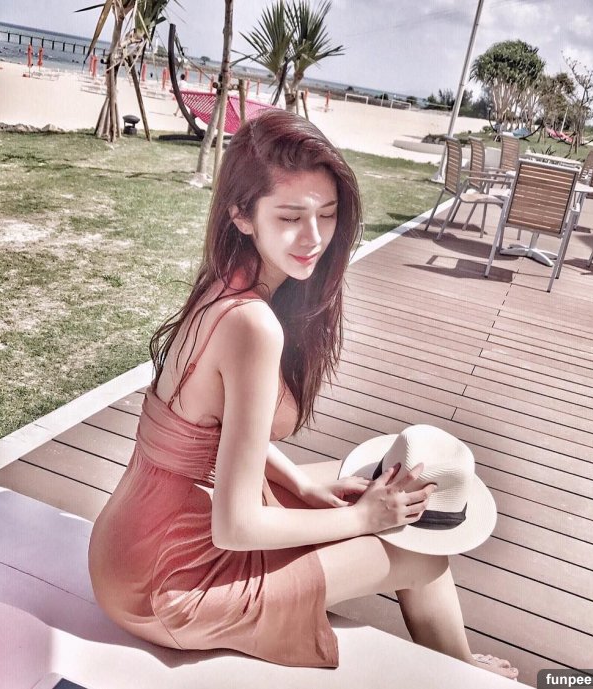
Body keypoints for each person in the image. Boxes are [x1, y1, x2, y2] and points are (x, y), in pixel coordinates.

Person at [87, 110, 518, 679]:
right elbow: (236, 527)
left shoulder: (223, 283)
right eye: (290, 217)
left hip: (130, 541)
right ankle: (462, 671)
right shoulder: (253, 326)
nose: (314, 238)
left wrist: (302, 485)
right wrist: (362, 519)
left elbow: (215, 430)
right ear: (242, 215)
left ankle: (452, 656)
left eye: (328, 214)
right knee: (421, 553)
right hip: (169, 582)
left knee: (352, 484)